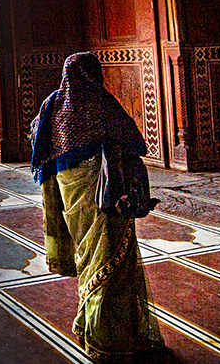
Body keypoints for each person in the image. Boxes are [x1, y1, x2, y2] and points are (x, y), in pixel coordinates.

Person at [30, 52, 164, 362]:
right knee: (110, 264)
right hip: (105, 202)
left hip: (71, 201)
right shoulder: (100, 105)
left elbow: (38, 146)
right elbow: (135, 142)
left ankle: (89, 327)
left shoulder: (52, 105)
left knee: (88, 259)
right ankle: (107, 340)